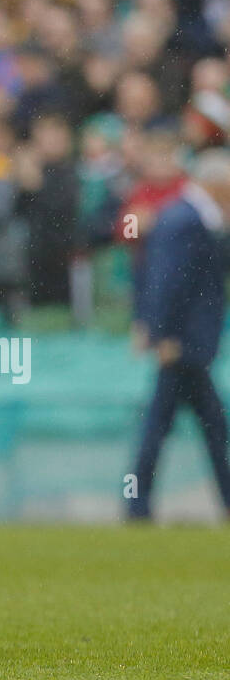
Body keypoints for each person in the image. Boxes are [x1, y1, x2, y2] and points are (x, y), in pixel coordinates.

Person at [128, 150, 230, 520]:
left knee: (191, 427)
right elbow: (165, 280)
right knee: (180, 427)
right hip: (183, 345)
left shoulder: (191, 217)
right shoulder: (185, 219)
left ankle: (137, 504)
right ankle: (136, 504)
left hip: (189, 345)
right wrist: (162, 333)